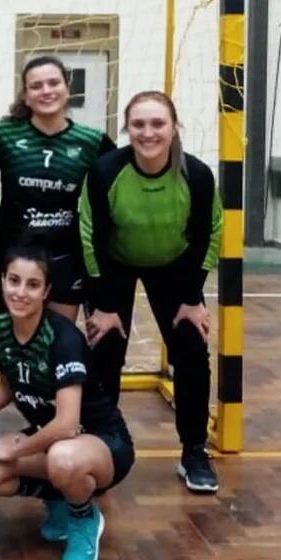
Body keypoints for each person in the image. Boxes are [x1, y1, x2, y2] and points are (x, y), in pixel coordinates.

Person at [78, 90, 223, 493]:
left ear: (174, 127)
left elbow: (209, 235)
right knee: (105, 347)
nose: (148, 132)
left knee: (192, 350)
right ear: (127, 128)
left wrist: (192, 298)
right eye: (138, 124)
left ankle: (194, 450)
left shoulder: (196, 175)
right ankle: (101, 447)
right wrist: (105, 306)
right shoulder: (107, 171)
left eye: (158, 123)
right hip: (115, 265)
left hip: (175, 267)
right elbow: (90, 237)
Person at [0, 242, 134, 560]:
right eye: (14, 280)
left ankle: (84, 517)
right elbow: (8, 388)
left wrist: (14, 450)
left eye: (33, 284)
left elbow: (67, 426)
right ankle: (58, 499)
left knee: (62, 459)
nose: (21, 292)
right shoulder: (3, 328)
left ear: (46, 290)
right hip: (51, 442)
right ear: (1, 281)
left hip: (101, 443)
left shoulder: (62, 338)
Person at [0, 55, 115, 321]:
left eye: (53, 83)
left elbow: (117, 193)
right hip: (13, 253)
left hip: (65, 256)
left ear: (67, 88)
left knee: (56, 344)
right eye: (36, 86)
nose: (46, 91)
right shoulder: (4, 133)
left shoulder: (91, 141)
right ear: (25, 96)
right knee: (17, 346)